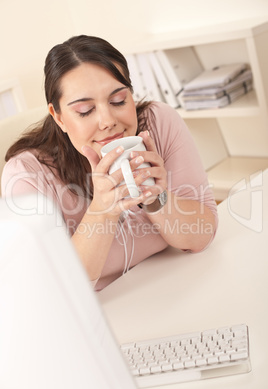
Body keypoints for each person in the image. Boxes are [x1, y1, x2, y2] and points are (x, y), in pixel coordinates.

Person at [1, 35, 218, 291]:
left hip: (176, 286)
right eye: (85, 111)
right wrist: (103, 209)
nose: (107, 121)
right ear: (58, 117)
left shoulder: (158, 122)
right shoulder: (27, 175)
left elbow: (201, 236)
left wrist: (156, 198)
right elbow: (55, 289)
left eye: (118, 101)